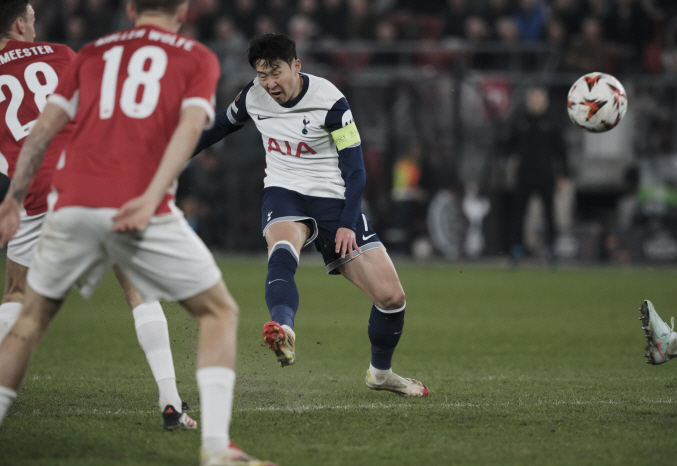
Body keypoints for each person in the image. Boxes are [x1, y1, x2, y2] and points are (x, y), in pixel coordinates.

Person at [0, 1, 275, 465]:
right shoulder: (194, 56)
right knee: (216, 312)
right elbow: (190, 128)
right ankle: (208, 442)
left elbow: (43, 128)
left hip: (67, 195)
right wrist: (151, 197)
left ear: (129, 8)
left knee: (26, 317)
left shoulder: (93, 51)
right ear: (184, 10)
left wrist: (13, 197)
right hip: (130, 197)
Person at [194, 33, 429, 397]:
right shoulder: (252, 96)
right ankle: (283, 328)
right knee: (283, 248)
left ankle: (380, 374)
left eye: (276, 72)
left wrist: (349, 223)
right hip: (284, 191)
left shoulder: (331, 101)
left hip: (333, 199)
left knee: (391, 298)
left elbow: (356, 170)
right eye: (261, 74)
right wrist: (169, 154)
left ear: (296, 66)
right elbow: (218, 128)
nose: (269, 83)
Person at [0, 0, 196, 432]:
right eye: (31, 17)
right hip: (92, 177)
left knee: (16, 293)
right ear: (19, 22)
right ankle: (170, 403)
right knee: (137, 287)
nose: (34, 24)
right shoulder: (63, 55)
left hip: (31, 188)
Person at [507, 86, 568, 263]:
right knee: (519, 213)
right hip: (524, 175)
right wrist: (512, 155)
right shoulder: (520, 121)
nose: (536, 102)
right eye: (533, 99)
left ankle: (551, 248)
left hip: (546, 175)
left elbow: (561, 151)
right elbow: (508, 143)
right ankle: (516, 248)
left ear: (545, 101)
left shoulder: (552, 122)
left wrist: (563, 176)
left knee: (549, 213)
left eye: (539, 99)